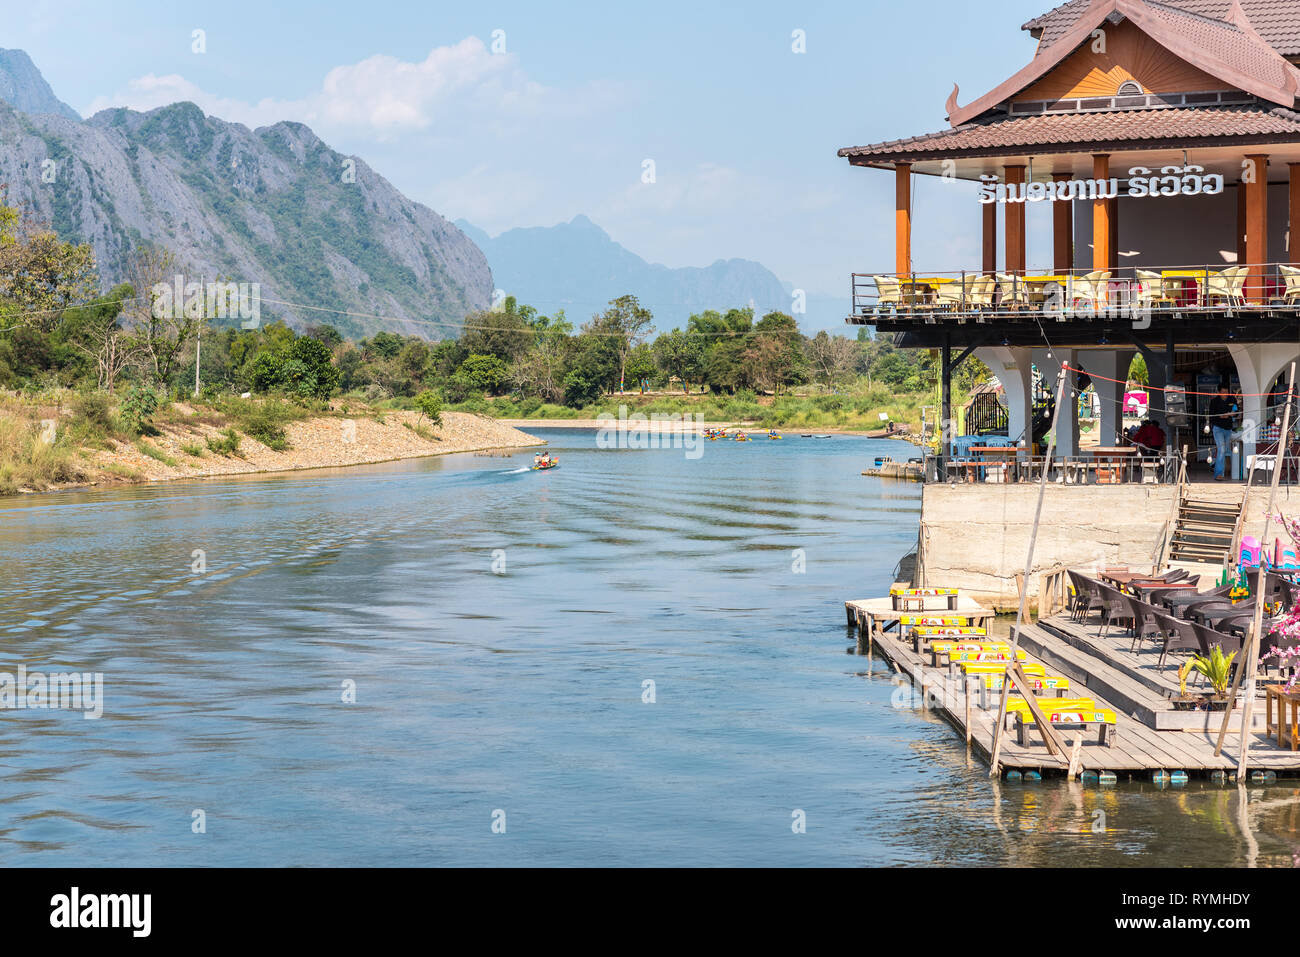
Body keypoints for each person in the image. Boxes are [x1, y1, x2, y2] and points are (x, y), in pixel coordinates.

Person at [1205, 381, 1240, 481]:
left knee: (1226, 451)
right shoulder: (1214, 402)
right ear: (1219, 392)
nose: (1225, 395)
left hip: (1228, 428)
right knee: (1222, 450)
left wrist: (1233, 414)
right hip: (1218, 428)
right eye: (1223, 392)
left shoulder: (1232, 399)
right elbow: (1211, 417)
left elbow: (1237, 411)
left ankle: (1221, 472)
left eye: (1227, 392)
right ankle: (1218, 474)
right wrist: (1221, 416)